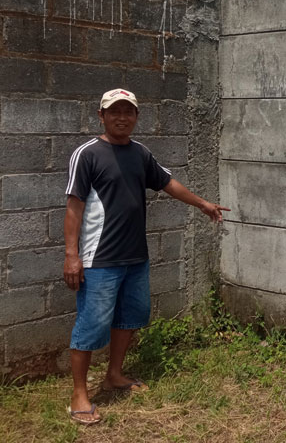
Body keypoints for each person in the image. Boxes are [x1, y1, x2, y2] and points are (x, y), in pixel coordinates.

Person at [63, 89, 229, 425]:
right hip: (99, 259)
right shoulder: (87, 154)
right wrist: (71, 255)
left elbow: (167, 183)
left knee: (130, 317)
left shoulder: (140, 153)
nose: (122, 117)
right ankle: (79, 394)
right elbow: (74, 207)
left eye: (129, 112)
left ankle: (114, 375)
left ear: (137, 116)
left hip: (136, 256)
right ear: (101, 115)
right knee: (91, 325)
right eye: (115, 112)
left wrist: (202, 204)